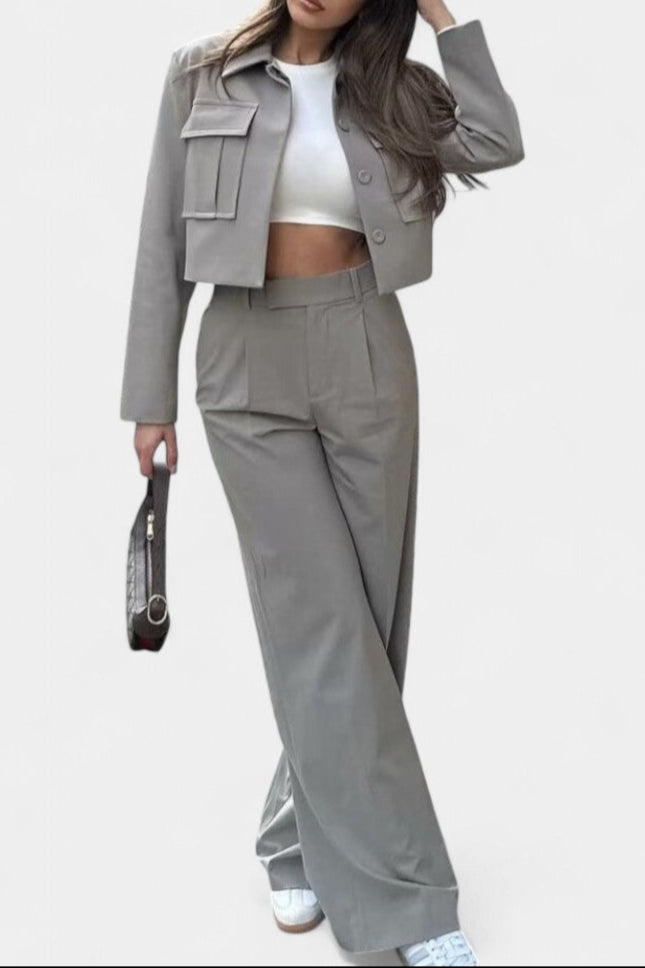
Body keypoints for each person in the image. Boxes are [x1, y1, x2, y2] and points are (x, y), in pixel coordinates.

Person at [120, 1, 524, 963]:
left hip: (365, 347)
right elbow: (159, 243)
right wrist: (150, 400)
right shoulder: (200, 73)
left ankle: (290, 835)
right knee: (321, 625)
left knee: (365, 624)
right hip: (244, 359)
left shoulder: (396, 88)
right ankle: (410, 904)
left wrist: (443, 17)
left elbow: (496, 140)